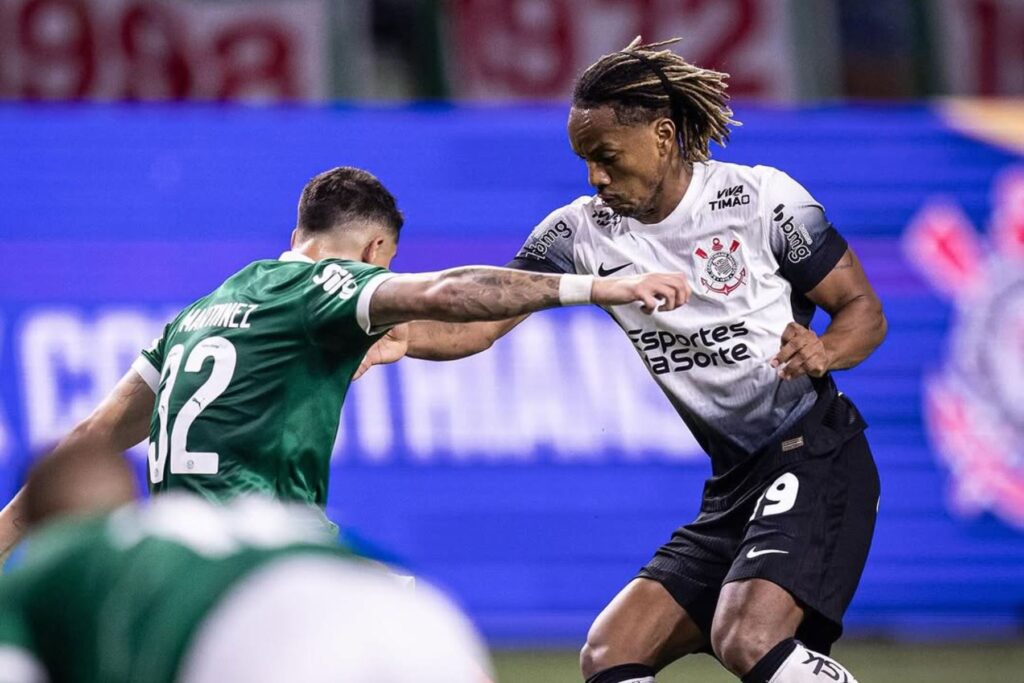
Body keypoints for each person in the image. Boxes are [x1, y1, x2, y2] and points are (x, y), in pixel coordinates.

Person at [357, 38, 886, 683]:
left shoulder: (760, 200)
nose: (594, 178)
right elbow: (482, 324)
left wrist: (825, 349)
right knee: (611, 653)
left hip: (817, 454)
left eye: (606, 157)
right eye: (584, 160)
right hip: (735, 482)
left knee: (747, 637)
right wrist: (401, 337)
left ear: (662, 136)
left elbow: (863, 309)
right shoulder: (579, 233)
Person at [0, 165, 690, 555]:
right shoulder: (327, 287)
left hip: (173, 561)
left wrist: (5, 532)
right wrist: (596, 287)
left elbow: (91, 437)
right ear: (372, 253)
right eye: (383, 267)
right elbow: (447, 295)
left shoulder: (201, 313)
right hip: (263, 553)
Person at [0, 447, 493, 683]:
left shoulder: (55, 558)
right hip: (420, 620)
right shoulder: (211, 524)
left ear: (42, 524)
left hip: (266, 648)